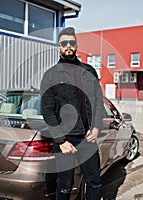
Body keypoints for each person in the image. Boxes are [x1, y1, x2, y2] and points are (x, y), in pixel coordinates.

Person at [40, 27, 104, 200]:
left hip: (88, 138)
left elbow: (99, 102)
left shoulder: (89, 71)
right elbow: (47, 111)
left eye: (72, 42)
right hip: (65, 139)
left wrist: (96, 127)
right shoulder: (50, 75)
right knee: (64, 185)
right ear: (58, 47)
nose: (68, 46)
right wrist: (61, 141)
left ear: (76, 45)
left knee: (94, 181)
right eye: (64, 43)